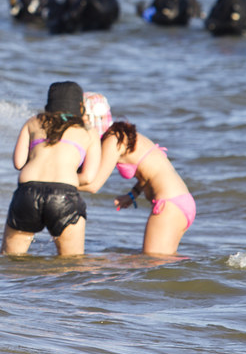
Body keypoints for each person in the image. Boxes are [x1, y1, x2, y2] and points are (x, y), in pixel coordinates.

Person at [78, 94, 195, 256]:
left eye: (81, 116)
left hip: (169, 205)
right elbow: (151, 170)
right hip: (179, 202)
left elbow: (93, 185)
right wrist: (132, 194)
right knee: (164, 262)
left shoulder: (113, 140)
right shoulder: (121, 134)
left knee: (153, 261)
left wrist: (54, 180)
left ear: (92, 117)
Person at [1, 82, 101, 256]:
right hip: (64, 196)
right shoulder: (88, 131)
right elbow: (88, 177)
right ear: (80, 106)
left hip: (27, 193)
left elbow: (18, 163)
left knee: (10, 259)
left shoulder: (33, 122)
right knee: (70, 263)